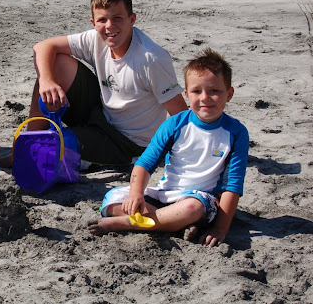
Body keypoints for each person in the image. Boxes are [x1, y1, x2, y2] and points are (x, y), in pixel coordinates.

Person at [88, 49, 249, 247]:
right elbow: (145, 163)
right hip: (165, 195)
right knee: (112, 199)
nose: (205, 97)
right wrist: (136, 194)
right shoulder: (175, 124)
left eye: (214, 91)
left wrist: (221, 228)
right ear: (186, 94)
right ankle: (174, 224)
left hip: (200, 200)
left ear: (229, 94)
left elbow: (232, 186)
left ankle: (128, 223)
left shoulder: (236, 132)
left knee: (191, 208)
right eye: (197, 91)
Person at [30, 0, 187, 165]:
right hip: (102, 114)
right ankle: (23, 144)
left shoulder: (151, 59)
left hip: (128, 142)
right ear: (93, 23)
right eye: (102, 20)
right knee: (56, 64)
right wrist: (46, 80)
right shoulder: (96, 38)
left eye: (117, 18)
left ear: (132, 19)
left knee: (48, 146)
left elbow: (180, 114)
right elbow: (42, 46)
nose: (110, 26)